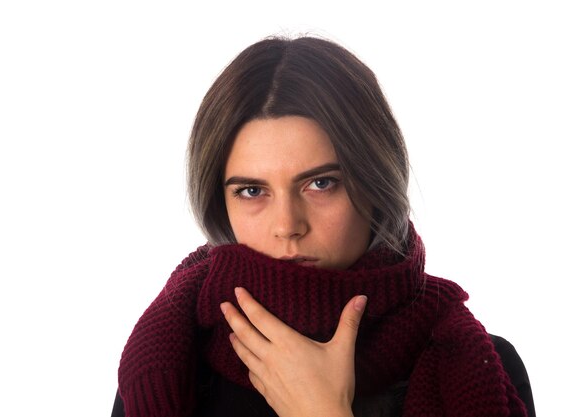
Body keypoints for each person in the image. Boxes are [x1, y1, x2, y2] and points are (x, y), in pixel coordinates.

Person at [112, 36, 535, 417]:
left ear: (375, 184)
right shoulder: (169, 361)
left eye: (320, 183)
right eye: (252, 191)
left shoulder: (477, 364)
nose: (287, 226)